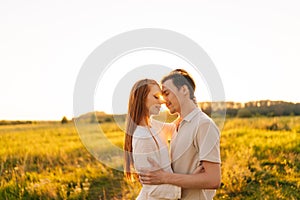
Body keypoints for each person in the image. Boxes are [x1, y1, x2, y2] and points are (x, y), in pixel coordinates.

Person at [139, 69, 221, 199]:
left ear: (184, 90)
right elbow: (143, 121)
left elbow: (213, 180)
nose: (164, 100)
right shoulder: (178, 125)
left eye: (166, 93)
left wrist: (164, 177)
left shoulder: (204, 125)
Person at [124, 79, 181, 200]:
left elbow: (175, 128)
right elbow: (152, 188)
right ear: (141, 98)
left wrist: (185, 105)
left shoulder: (153, 124)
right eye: (156, 97)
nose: (162, 102)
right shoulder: (142, 137)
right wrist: (190, 183)